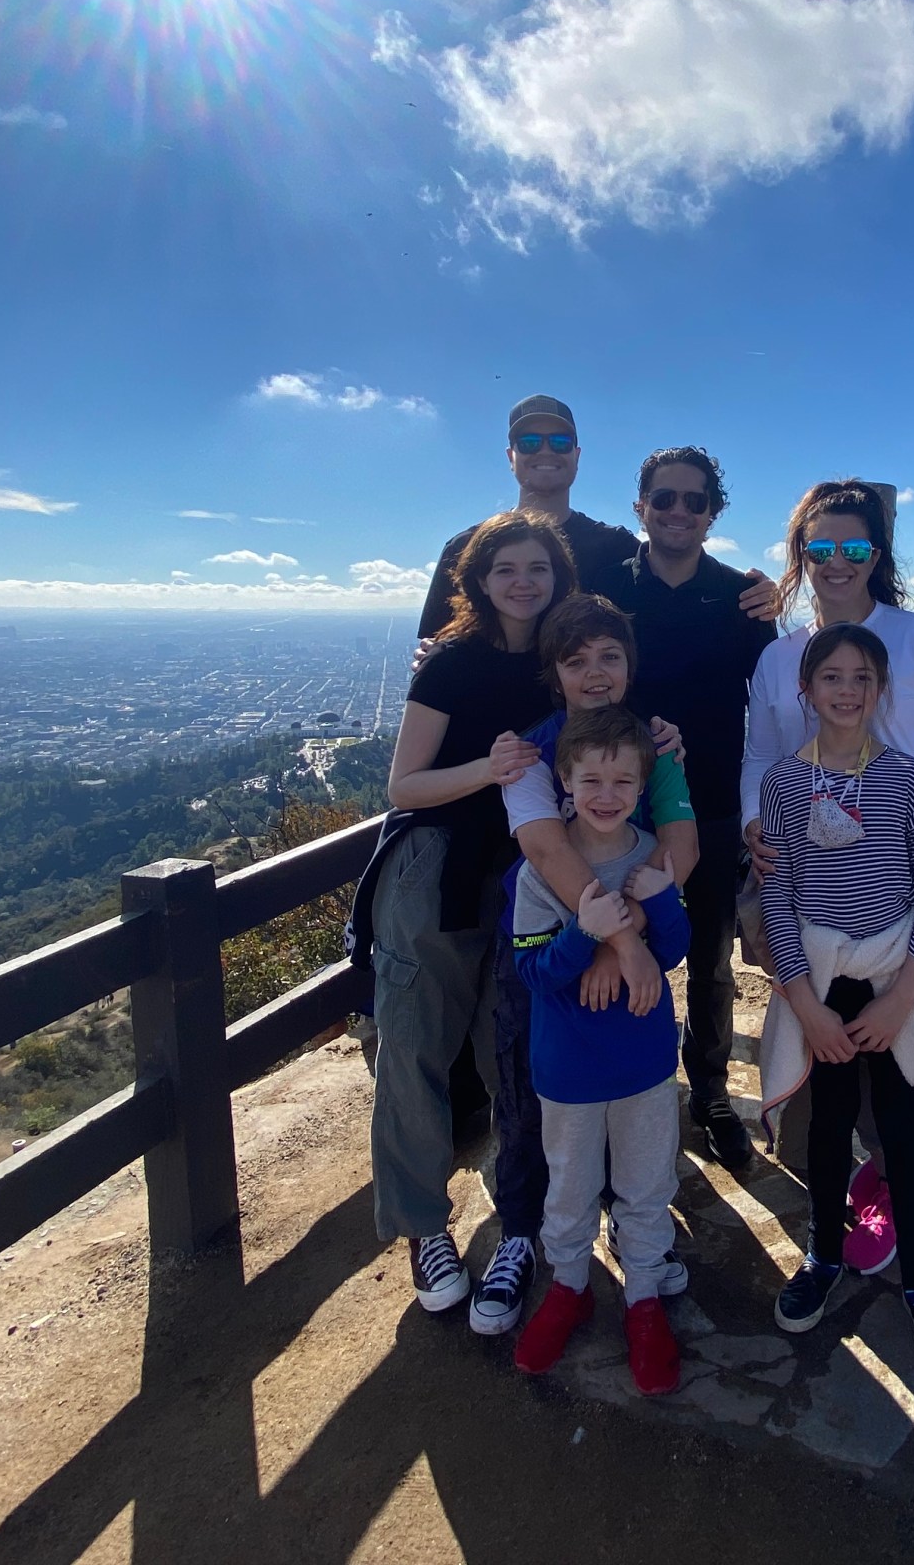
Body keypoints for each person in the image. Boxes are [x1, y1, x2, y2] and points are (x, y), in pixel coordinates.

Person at [741, 479, 914, 1272]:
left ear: (877, 555)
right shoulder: (781, 658)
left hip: (902, 886)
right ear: (800, 557)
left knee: (895, 1043)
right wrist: (754, 823)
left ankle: (883, 1180)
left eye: (855, 547)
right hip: (803, 886)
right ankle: (830, 1184)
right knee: (821, 1040)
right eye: (820, 549)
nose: (837, 563)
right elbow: (762, 754)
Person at [359, 509, 576, 1314]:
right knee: (415, 1047)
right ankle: (425, 1226)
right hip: (437, 870)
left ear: (559, 579)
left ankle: (519, 1217)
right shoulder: (449, 664)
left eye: (539, 569)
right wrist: (487, 769)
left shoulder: (558, 665)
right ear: (480, 581)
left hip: (527, 873)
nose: (524, 583)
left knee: (511, 1050)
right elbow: (403, 787)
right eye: (507, 570)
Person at [471, 592, 697, 1338]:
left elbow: (680, 850)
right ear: (555, 672)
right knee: (541, 1121)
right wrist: (614, 943)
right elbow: (544, 848)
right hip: (559, 948)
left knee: (638, 1146)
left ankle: (635, 1258)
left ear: (631, 666)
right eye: (577, 660)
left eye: (610, 657)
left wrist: (629, 929)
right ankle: (534, 1246)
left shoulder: (651, 746)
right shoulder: (536, 752)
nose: (596, 674)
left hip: (622, 967)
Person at [753, 624, 914, 1379]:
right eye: (832, 677)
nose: (847, 690)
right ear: (805, 691)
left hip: (892, 982)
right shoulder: (782, 784)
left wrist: (906, 992)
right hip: (822, 981)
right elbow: (776, 896)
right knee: (829, 1123)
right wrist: (803, 1001)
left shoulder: (907, 779)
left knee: (904, 1133)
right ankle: (822, 1250)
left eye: (862, 678)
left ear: (880, 692)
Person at [507, 706, 693, 1396]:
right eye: (592, 779)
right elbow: (533, 972)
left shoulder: (650, 858)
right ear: (565, 783)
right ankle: (570, 1283)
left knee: (647, 1184)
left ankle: (643, 1297)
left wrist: (661, 906)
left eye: (623, 779)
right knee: (571, 1183)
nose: (607, 794)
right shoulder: (538, 875)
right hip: (570, 1067)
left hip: (642, 1062)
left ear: (643, 783)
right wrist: (584, 934)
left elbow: (674, 950)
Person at [605, 446, 778, 1170]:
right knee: (614, 948)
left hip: (709, 803)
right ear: (640, 506)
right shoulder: (603, 592)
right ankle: (618, 1095)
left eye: (694, 501)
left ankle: (708, 1093)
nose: (679, 511)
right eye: (665, 498)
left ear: (714, 514)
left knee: (709, 960)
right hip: (615, 809)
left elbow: (770, 712)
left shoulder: (742, 599)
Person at [416, 396, 641, 636]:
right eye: (530, 442)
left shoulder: (619, 549)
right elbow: (437, 647)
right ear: (511, 457)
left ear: (576, 456)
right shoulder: (464, 549)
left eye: (559, 442)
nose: (546, 451)